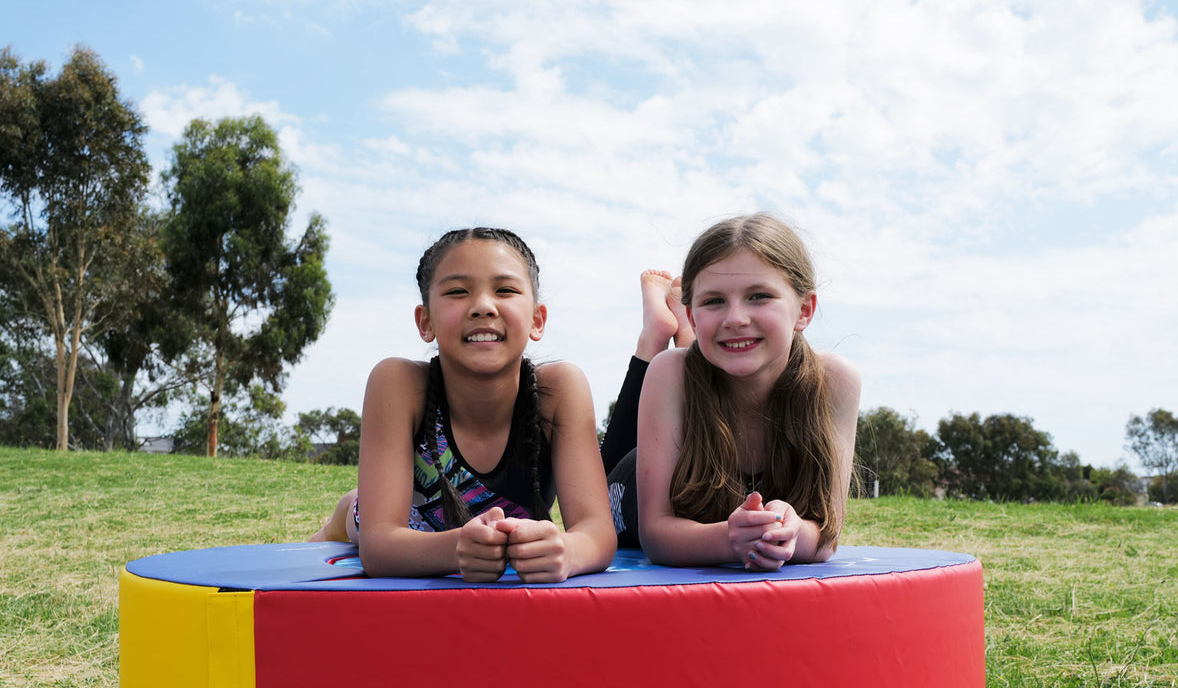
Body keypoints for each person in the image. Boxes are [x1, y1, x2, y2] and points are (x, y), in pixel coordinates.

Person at [311, 227, 617, 582]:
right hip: (404, 527)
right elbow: (378, 545)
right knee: (356, 510)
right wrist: (456, 549)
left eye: (505, 290)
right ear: (425, 322)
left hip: (477, 543)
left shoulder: (560, 391)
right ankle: (337, 518)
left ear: (537, 320)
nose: (483, 306)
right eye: (458, 291)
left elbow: (597, 531)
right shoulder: (400, 384)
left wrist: (567, 552)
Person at [604, 213, 860, 569]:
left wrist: (792, 531)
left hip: (702, 380)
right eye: (714, 301)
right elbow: (656, 536)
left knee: (717, 348)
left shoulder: (834, 380)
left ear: (804, 310)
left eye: (759, 296)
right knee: (678, 368)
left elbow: (825, 535)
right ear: (695, 318)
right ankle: (655, 335)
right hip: (631, 485)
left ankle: (685, 312)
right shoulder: (669, 374)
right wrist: (729, 539)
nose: (736, 317)